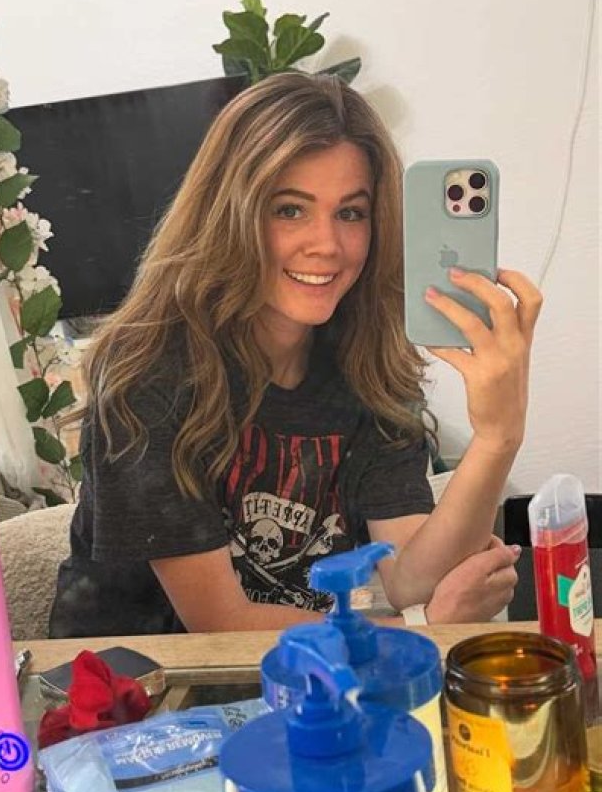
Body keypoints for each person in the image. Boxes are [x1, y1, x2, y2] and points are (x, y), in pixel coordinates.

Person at [49, 72, 542, 638]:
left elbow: (412, 578)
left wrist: (498, 436)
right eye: (289, 210)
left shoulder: (365, 364)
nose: (327, 245)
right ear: (230, 213)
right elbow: (220, 624)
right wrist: (421, 628)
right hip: (142, 681)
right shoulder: (148, 373)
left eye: (351, 213)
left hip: (304, 674)